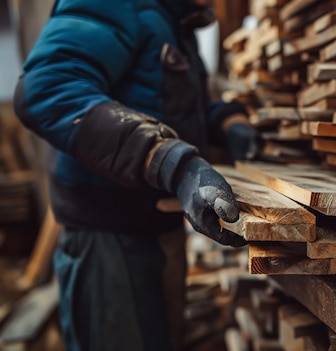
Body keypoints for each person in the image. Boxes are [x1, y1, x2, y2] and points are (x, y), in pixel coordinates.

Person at [13, 0, 258, 349]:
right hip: (109, 241)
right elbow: (46, 88)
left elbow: (175, 104)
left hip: (156, 231)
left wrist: (228, 122)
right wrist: (170, 161)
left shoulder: (175, 19)